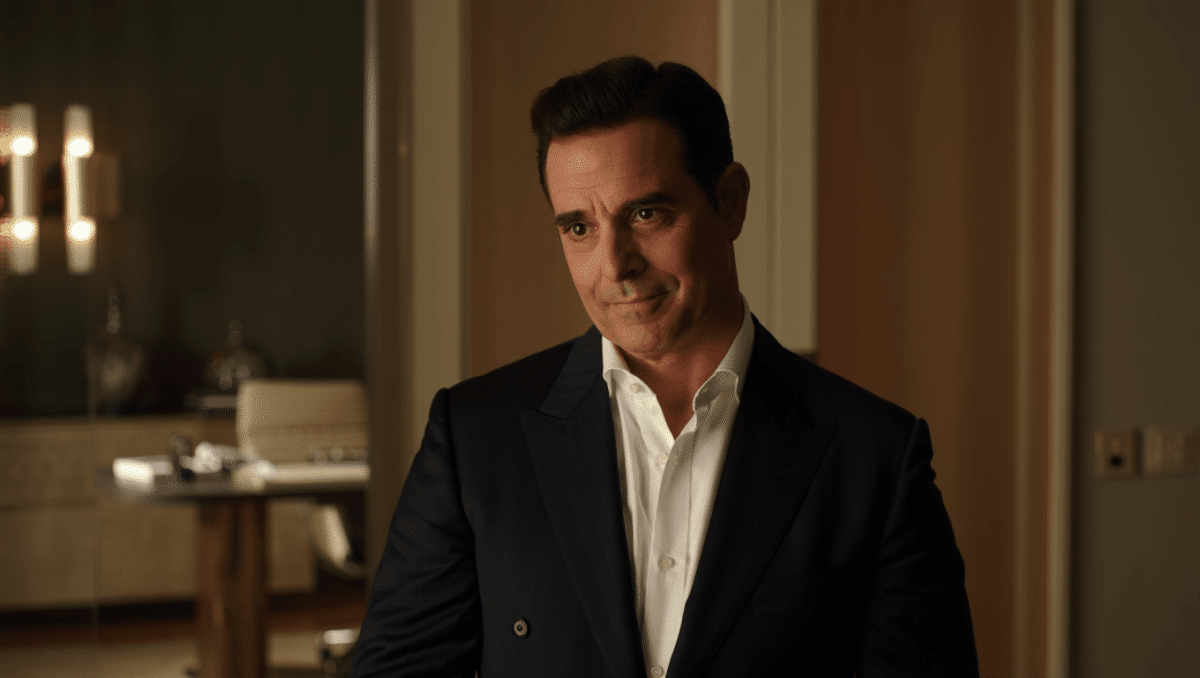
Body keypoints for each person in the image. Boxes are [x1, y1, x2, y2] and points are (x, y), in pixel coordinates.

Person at [351, 55, 978, 678]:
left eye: (645, 214)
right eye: (578, 228)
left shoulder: (876, 459)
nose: (614, 264)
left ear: (730, 202)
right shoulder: (475, 439)